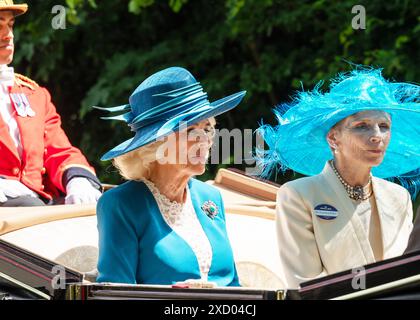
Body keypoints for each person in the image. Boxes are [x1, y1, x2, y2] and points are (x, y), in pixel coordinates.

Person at [256, 68, 419, 289]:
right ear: (333, 138)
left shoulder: (399, 197)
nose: (377, 136)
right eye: (361, 126)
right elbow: (306, 285)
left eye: (384, 126)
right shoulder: (299, 195)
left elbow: (408, 275)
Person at [95, 66, 246, 286]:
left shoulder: (211, 197)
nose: (205, 140)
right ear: (157, 144)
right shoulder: (120, 205)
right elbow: (114, 292)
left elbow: (233, 285)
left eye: (208, 129)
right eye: (191, 131)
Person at [0, 1, 102, 206]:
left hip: (37, 207)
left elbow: (60, 150)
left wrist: (77, 179)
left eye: (10, 25)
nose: (9, 35)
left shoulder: (35, 95)